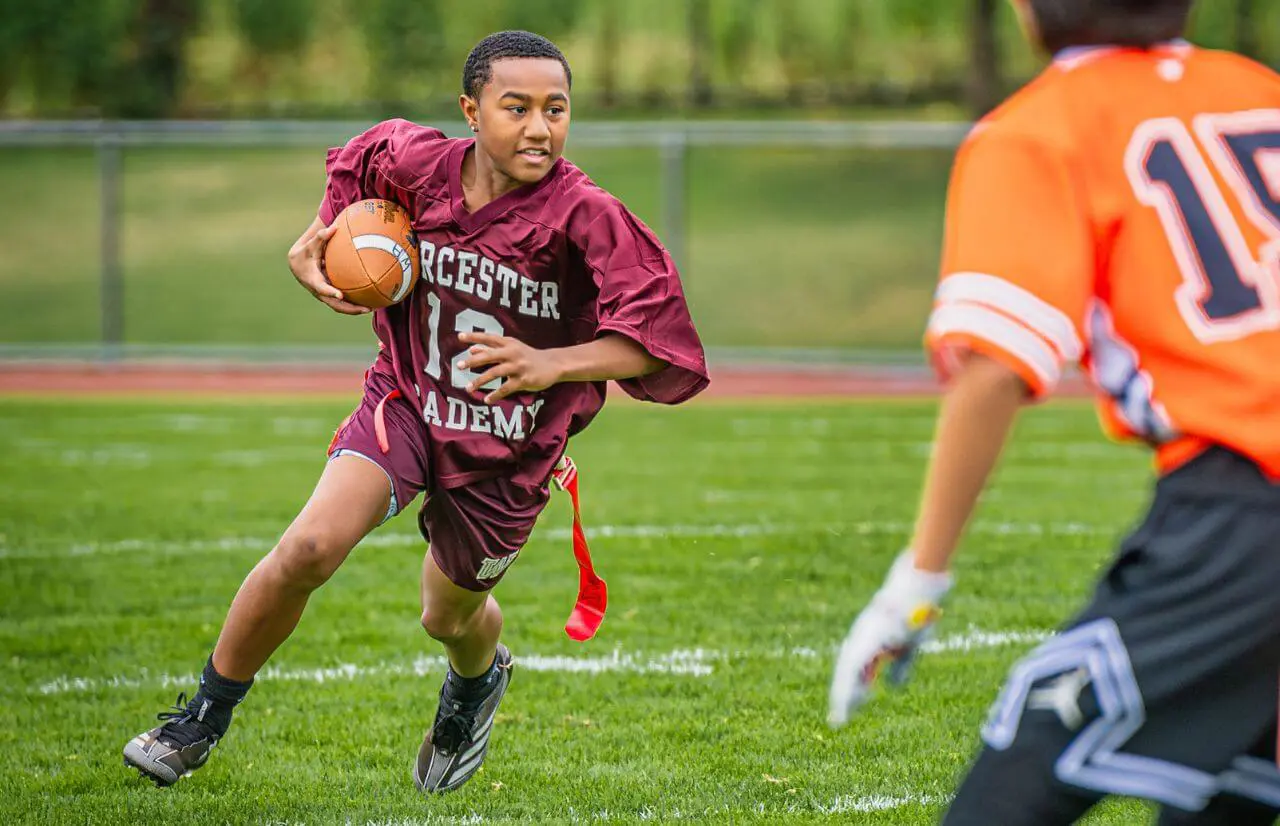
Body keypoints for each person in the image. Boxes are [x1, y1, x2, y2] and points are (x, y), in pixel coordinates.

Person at [123, 30, 708, 794]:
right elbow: (358, 160)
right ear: (470, 110)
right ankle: (198, 719)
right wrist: (316, 241)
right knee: (307, 547)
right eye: (517, 107)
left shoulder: (586, 214)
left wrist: (551, 363)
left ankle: (476, 681)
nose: (539, 127)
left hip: (508, 445)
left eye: (556, 109)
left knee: (448, 617)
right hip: (406, 397)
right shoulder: (416, 164)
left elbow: (661, 342)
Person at [827, 1, 1280, 823]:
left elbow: (998, 363)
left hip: (1246, 514)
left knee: (1018, 776)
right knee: (1227, 796)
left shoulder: (1039, 128)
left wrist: (915, 585)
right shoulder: (1260, 90)